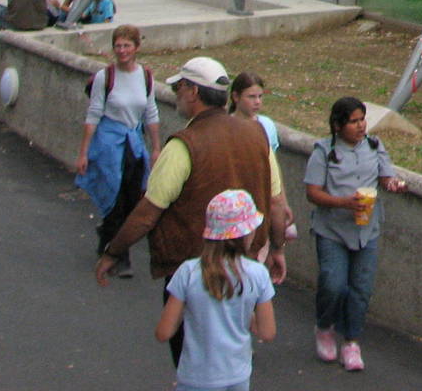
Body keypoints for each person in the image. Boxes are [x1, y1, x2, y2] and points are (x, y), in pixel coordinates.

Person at [95, 56, 287, 369]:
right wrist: (277, 248)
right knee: (233, 359)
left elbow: (147, 213)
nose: (176, 95)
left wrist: (112, 252)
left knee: (191, 362)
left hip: (194, 274)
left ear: (193, 92)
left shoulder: (184, 145)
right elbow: (277, 203)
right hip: (243, 270)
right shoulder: (257, 136)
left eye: (180, 88)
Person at [305, 96, 407, 373]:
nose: (361, 126)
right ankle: (325, 327)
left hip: (366, 230)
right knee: (333, 283)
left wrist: (394, 183)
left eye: (363, 119)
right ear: (338, 126)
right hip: (333, 230)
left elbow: (386, 176)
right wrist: (343, 203)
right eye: (354, 121)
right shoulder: (324, 152)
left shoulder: (374, 146)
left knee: (361, 289)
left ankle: (352, 341)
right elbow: (312, 192)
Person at [156, 189, 277, 391]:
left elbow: (164, 332)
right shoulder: (258, 275)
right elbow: (267, 332)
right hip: (237, 376)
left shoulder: (187, 272)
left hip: (195, 378)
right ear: (246, 233)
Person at [74, 23, 160, 278]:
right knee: (116, 198)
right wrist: (84, 152)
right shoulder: (105, 77)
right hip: (109, 145)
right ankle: (120, 257)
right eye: (118, 46)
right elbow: (94, 114)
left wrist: (155, 148)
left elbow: (150, 112)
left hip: (134, 144)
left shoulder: (145, 76)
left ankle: (108, 238)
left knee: (133, 200)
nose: (122, 51)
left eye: (127, 45)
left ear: (137, 47)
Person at [230, 71, 297, 253]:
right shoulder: (227, 125)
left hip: (263, 199)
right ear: (235, 97)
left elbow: (273, 168)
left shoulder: (266, 125)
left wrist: (283, 202)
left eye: (260, 97)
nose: (257, 102)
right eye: (251, 97)